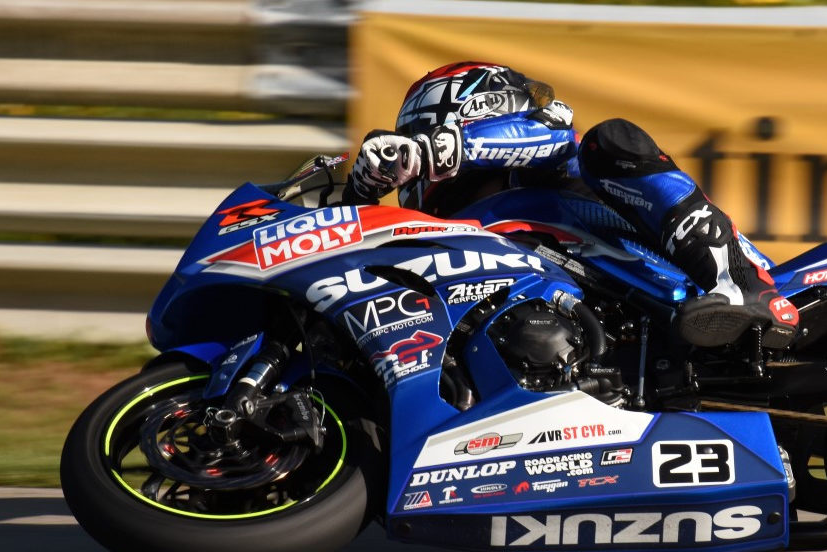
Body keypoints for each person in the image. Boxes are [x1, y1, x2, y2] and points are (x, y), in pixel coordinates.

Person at [342, 61, 798, 349]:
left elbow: (557, 137)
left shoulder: (545, 157)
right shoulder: (448, 231)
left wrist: (429, 152)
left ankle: (740, 282)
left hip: (714, 294)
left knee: (608, 143)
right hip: (632, 343)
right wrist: (356, 196)